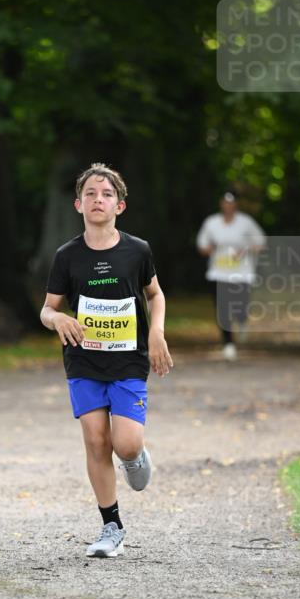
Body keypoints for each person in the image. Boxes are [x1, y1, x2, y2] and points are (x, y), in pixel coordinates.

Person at [40, 162, 173, 558]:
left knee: (125, 444)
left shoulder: (137, 251)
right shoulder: (67, 256)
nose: (99, 200)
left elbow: (156, 295)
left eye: (107, 194)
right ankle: (111, 526)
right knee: (96, 440)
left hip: (128, 360)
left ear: (121, 205)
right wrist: (58, 317)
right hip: (83, 362)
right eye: (92, 194)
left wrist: (156, 332)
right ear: (78, 204)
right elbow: (47, 310)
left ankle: (134, 456)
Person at [196, 191, 266, 361]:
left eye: (231, 202)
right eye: (225, 202)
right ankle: (228, 344)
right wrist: (209, 249)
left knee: (240, 305)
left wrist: (247, 249)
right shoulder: (211, 222)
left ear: (236, 204)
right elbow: (202, 245)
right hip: (218, 273)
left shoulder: (246, 222)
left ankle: (242, 320)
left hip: (241, 273)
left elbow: (261, 242)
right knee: (222, 308)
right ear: (221, 204)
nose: (228, 206)